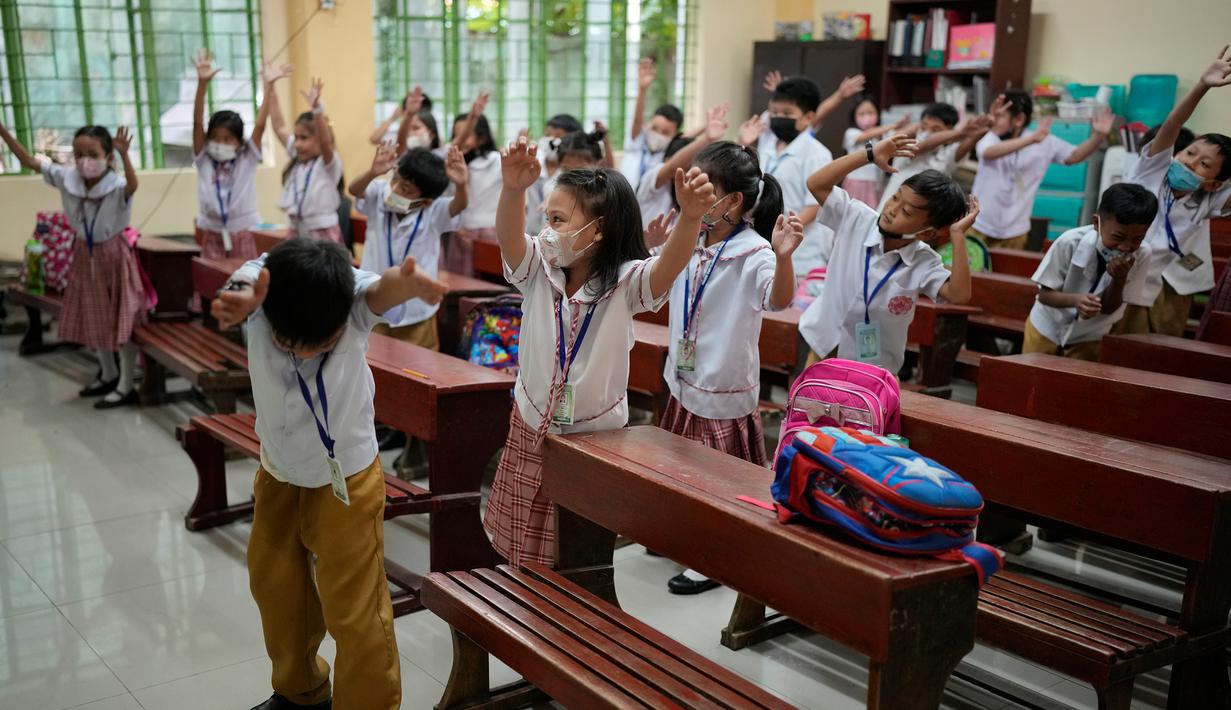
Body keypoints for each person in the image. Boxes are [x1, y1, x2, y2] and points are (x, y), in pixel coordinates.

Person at [210, 238, 447, 710]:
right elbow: (240, 284)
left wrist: (406, 284)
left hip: (348, 481)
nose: (307, 351)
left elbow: (381, 291)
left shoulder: (350, 297)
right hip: (278, 469)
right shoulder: (263, 289)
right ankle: (301, 691)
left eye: (323, 344)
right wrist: (237, 297)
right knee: (276, 587)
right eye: (290, 343)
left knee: (355, 608)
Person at [483, 136, 715, 567]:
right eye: (546, 218)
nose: (547, 231)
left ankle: (570, 610)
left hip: (596, 435)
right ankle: (523, 606)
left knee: (578, 547)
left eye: (559, 219)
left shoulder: (625, 282)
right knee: (522, 541)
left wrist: (690, 218)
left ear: (599, 230)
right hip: (532, 419)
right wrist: (513, 189)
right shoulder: (538, 266)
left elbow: (667, 268)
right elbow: (510, 237)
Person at [658, 141, 803, 595]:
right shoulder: (691, 237)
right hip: (684, 379)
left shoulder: (755, 252)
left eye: (703, 187)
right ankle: (687, 535)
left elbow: (779, 300)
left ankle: (715, 555)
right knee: (683, 467)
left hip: (721, 383)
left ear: (732, 201)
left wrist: (783, 257)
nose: (691, 194)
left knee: (719, 477)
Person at [798, 134, 979, 375]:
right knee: (806, 410)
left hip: (873, 369)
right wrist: (870, 154)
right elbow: (816, 183)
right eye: (895, 197)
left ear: (928, 232)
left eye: (905, 210)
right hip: (823, 346)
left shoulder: (923, 262)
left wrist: (957, 235)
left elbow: (958, 295)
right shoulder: (859, 218)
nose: (891, 210)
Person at [0, 121, 142, 408]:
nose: (84, 161)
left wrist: (125, 155)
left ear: (108, 157)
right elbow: (28, 160)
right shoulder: (68, 178)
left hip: (113, 256)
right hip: (84, 254)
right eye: (78, 154)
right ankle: (109, 374)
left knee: (121, 320)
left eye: (92, 154)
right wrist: (3, 131)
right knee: (94, 315)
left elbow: (133, 185)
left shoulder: (116, 186)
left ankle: (126, 385)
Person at [1115, 47, 1231, 336]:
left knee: (1149, 353)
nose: (1189, 161)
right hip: (1120, 276)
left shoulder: (1207, 200)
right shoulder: (1151, 173)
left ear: (1214, 184)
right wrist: (1202, 86)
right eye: (1189, 152)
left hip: (1160, 285)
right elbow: (1172, 125)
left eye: (1203, 164)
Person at [350, 143, 469, 349]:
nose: (394, 189)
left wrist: (461, 186)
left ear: (425, 202)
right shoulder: (379, 193)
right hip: (373, 304)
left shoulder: (434, 212)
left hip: (416, 312)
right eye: (395, 179)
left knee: (418, 369)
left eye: (405, 189)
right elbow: (354, 190)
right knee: (373, 362)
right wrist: (372, 173)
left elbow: (458, 206)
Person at [1024, 183, 1157, 360]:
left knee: (1073, 386)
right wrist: (1075, 300)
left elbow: (1110, 308)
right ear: (1096, 223)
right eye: (1118, 237)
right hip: (1046, 328)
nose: (1126, 247)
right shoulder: (1069, 242)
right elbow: (1044, 295)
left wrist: (1119, 279)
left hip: (1090, 337)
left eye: (1137, 239)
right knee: (1031, 380)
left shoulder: (1141, 255)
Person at [968, 91, 1113, 250]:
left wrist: (1098, 136)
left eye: (1000, 117)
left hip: (1015, 231)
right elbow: (987, 152)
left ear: (1019, 119)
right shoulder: (991, 136)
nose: (994, 121)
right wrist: (1031, 140)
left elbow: (1074, 156)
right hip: (978, 225)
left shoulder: (1044, 141)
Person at [191, 51, 285, 260]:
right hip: (212, 235)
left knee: (242, 283)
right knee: (212, 284)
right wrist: (202, 85)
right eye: (215, 138)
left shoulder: (246, 159)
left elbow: (260, 125)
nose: (220, 143)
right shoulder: (204, 159)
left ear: (239, 143)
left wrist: (269, 87)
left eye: (227, 139)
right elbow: (197, 123)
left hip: (242, 234)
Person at [737, 76, 834, 277]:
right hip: (766, 243)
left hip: (802, 252)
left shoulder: (817, 153)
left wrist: (779, 229)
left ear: (808, 118)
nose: (778, 117)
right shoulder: (767, 146)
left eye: (787, 113)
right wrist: (743, 144)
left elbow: (814, 206)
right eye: (774, 112)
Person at [270, 76, 345, 242]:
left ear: (319, 139)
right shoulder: (298, 158)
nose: (297, 144)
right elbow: (278, 125)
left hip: (323, 233)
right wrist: (271, 87)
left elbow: (326, 143)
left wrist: (317, 110)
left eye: (303, 138)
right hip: (297, 230)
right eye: (295, 137)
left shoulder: (327, 164)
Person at [636, 102, 729, 229]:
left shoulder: (692, 197)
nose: (687, 174)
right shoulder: (653, 178)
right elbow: (673, 167)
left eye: (690, 168)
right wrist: (707, 138)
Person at [443, 92, 501, 276]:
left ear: (482, 138)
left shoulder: (496, 161)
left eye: (468, 134)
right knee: (461, 283)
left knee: (490, 284)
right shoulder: (452, 163)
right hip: (461, 231)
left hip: (489, 233)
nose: (461, 140)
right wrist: (457, 227)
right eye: (457, 135)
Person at [619, 57, 684, 192]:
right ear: (648, 125)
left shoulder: (668, 158)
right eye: (655, 128)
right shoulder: (637, 144)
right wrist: (642, 90)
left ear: (675, 135)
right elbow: (637, 120)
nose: (658, 135)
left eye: (665, 132)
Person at [528, 127, 608, 233]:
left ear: (598, 163)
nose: (573, 178)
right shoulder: (552, 187)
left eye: (581, 170)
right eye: (566, 170)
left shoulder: (607, 189)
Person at [840, 93, 909, 207]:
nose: (866, 117)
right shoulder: (851, 133)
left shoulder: (883, 134)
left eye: (870, 113)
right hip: (856, 183)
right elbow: (866, 135)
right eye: (861, 114)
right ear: (854, 116)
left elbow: (899, 136)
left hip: (876, 184)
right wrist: (894, 125)